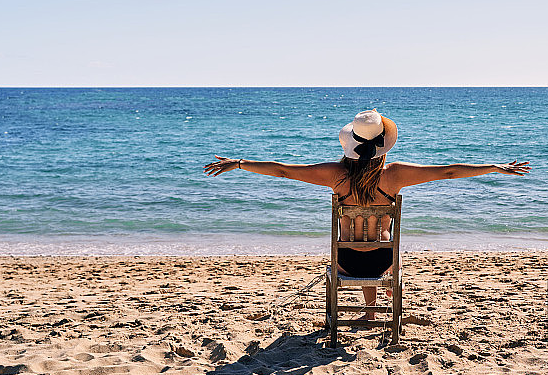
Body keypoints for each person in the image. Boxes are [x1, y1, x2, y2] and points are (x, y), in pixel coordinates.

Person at [204, 109, 530, 318]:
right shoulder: (396, 175)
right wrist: (493, 168)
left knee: (354, 243)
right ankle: (379, 303)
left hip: (347, 260)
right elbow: (447, 172)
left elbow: (285, 171)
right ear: (384, 144)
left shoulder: (335, 175)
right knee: (380, 241)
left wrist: (240, 163)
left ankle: (371, 311)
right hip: (382, 261)